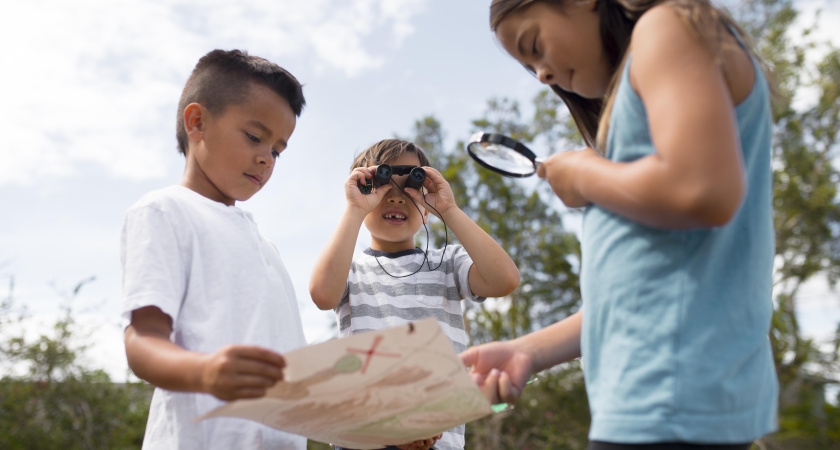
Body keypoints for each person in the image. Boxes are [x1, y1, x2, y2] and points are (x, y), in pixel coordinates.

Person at [459, 1, 779, 449]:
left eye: (534, 47)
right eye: (531, 69)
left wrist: (586, 175)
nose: (543, 75)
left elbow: (702, 191)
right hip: (656, 405)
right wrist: (526, 352)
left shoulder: (664, 25)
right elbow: (640, 292)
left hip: (669, 401)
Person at [121, 49, 308, 449]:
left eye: (277, 149)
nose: (266, 158)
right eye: (255, 137)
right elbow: (143, 342)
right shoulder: (165, 211)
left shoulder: (266, 247)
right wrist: (206, 372)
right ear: (197, 122)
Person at [310, 139, 521, 450]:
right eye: (381, 187)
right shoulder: (350, 269)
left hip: (436, 438)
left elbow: (505, 280)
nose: (396, 199)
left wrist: (448, 210)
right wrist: (355, 209)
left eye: (409, 187)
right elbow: (322, 294)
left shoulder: (447, 263)